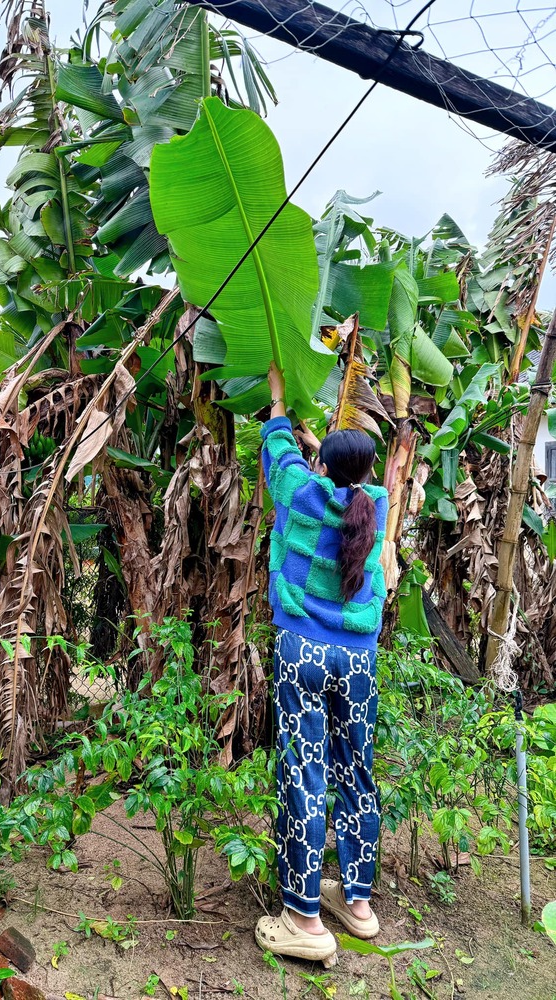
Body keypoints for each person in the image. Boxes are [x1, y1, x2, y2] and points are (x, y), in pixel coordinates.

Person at [254, 362, 389, 964]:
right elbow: (336, 483)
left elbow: (280, 459)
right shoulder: (376, 507)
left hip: (304, 648)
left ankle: (303, 918)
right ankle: (358, 905)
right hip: (357, 658)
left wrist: (279, 400)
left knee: (305, 773)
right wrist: (326, 451)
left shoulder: (303, 495)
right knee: (355, 770)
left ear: (325, 469)